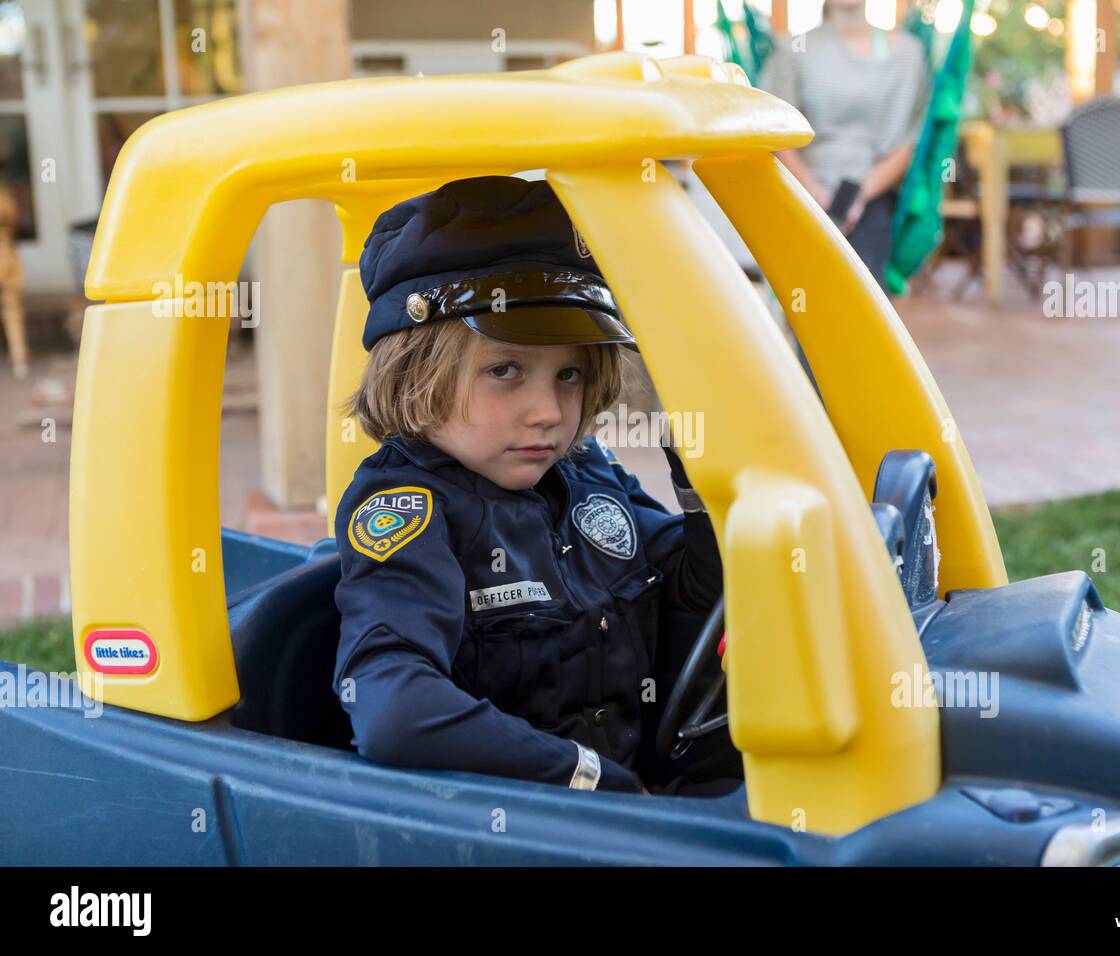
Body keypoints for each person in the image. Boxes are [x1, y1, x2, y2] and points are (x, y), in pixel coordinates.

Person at [332, 174, 732, 797]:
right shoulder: (408, 509)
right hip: (532, 826)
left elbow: (694, 592)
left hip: (649, 796)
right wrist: (588, 776)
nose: (549, 410)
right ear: (417, 372)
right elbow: (393, 710)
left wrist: (705, 479)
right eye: (506, 370)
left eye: (568, 373)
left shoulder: (581, 468)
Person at [758, 0, 930, 282]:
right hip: (803, 193)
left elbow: (910, 143)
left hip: (873, 195)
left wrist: (858, 195)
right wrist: (816, 193)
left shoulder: (908, 53)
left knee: (865, 287)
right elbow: (774, 132)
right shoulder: (792, 49)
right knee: (806, 294)